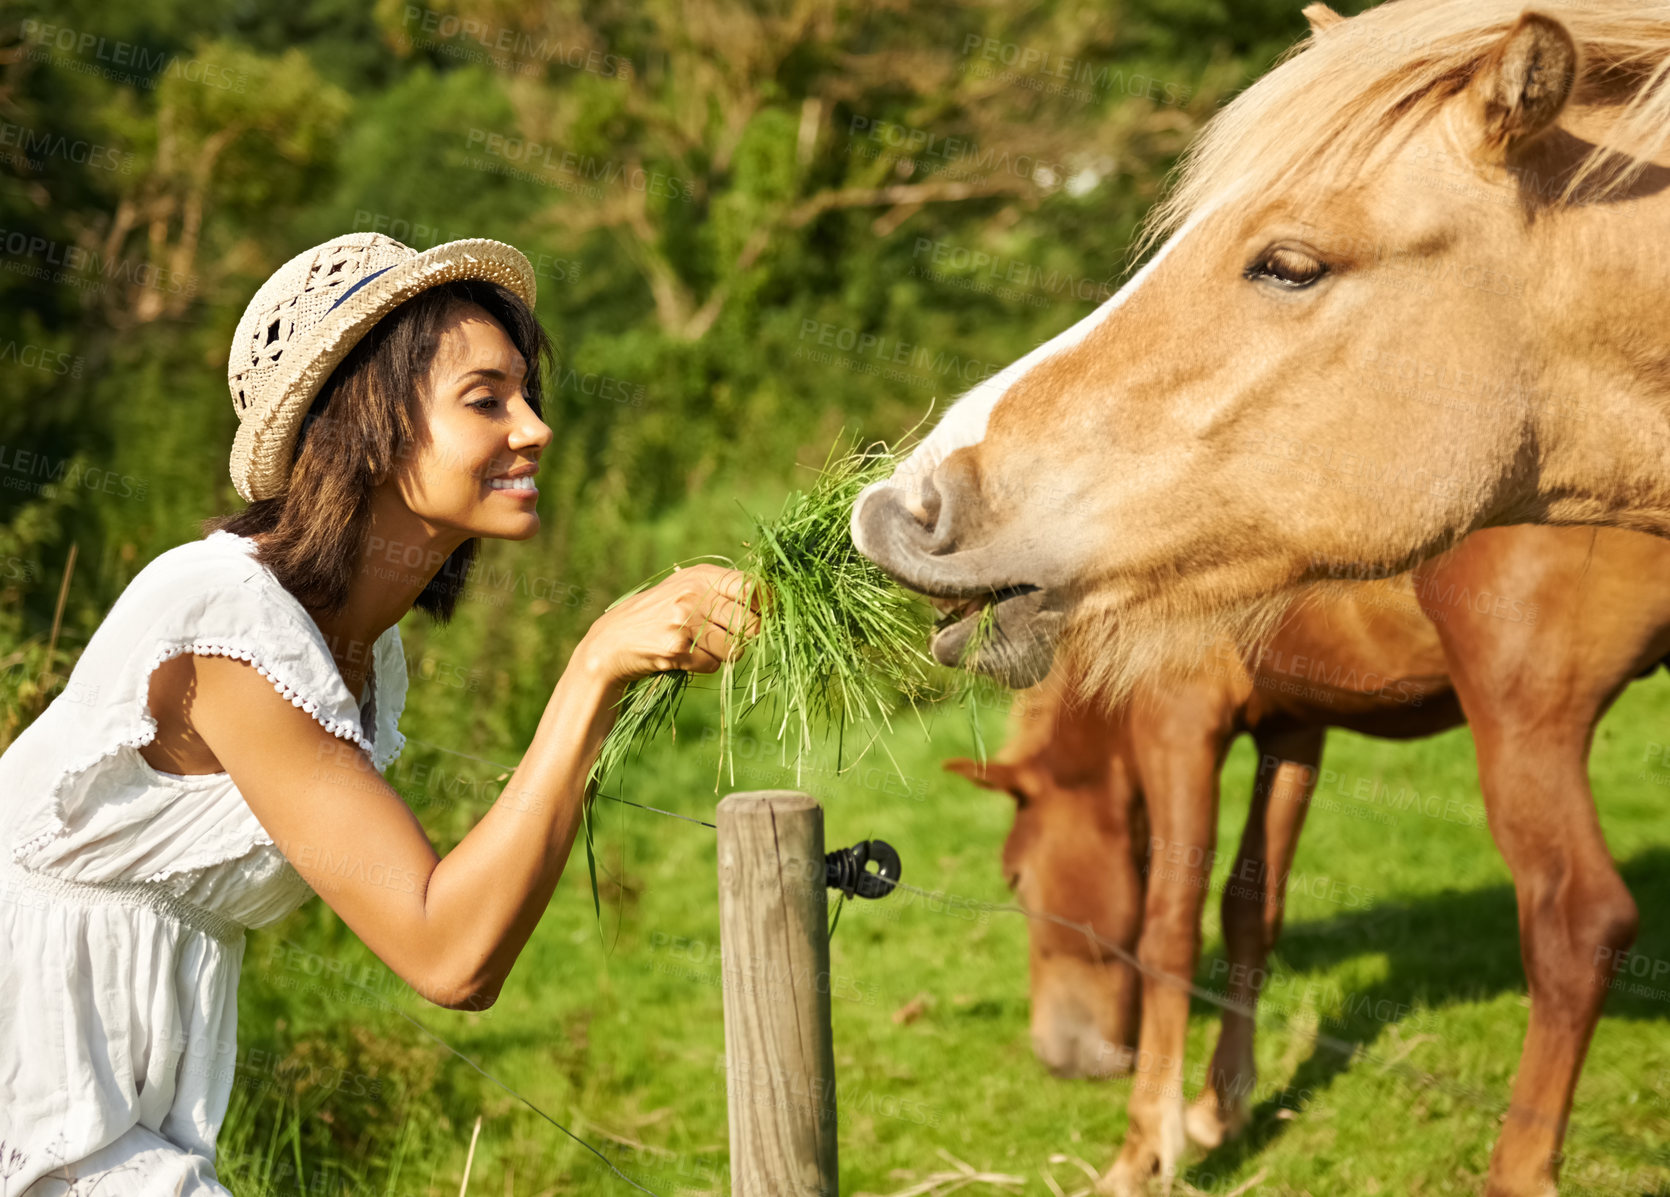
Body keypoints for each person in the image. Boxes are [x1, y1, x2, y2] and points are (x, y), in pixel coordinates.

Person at [0, 232, 759, 1194]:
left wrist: (605, 677)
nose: (533, 428)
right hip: (38, 1092)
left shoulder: (355, 651)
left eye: (526, 395)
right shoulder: (223, 618)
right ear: (365, 427)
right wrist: (595, 661)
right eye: (486, 400)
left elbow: (460, 939)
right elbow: (447, 953)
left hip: (121, 1105)